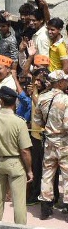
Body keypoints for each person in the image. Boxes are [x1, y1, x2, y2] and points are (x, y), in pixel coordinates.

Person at [0, 86, 33, 225]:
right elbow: (25, 151)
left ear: (1, 101)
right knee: (19, 203)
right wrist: (29, 170)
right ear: (14, 103)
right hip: (15, 164)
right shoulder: (20, 122)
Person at [33, 70, 68, 220]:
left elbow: (38, 121)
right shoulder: (66, 99)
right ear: (59, 83)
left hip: (48, 142)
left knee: (47, 175)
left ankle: (45, 209)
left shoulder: (42, 98)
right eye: (65, 80)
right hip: (64, 142)